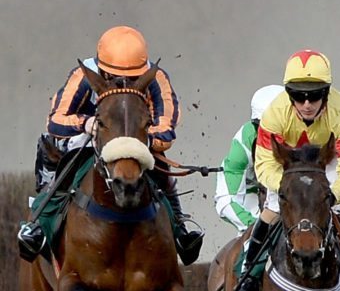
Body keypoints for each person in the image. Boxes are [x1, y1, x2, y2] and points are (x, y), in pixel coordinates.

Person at [16, 25, 205, 265]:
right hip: (87, 136)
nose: (123, 82)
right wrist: (86, 124)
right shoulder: (83, 75)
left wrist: (142, 138)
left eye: (133, 78)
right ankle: (38, 224)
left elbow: (166, 126)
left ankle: (179, 228)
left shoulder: (156, 78)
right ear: (102, 70)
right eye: (115, 76)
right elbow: (56, 119)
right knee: (58, 150)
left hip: (135, 140)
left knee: (157, 162)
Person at [232, 50, 340, 291]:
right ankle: (249, 273)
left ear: (326, 93)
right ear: (288, 94)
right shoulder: (274, 114)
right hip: (289, 164)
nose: (307, 104)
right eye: (298, 95)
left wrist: (333, 195)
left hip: (327, 160)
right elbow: (265, 164)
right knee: (272, 207)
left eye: (314, 95)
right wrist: (286, 190)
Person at [215, 85, 285, 233]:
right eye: (265, 128)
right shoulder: (244, 141)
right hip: (254, 201)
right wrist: (257, 229)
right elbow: (225, 200)